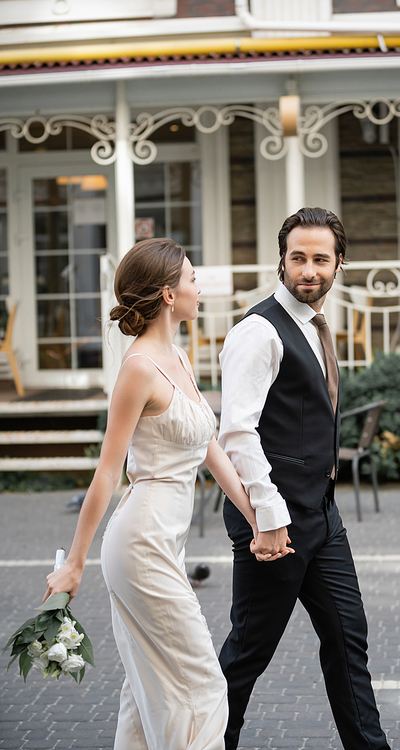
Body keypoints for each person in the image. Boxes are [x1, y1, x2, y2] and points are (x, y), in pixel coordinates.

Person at [44, 238, 284, 750]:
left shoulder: (177, 355)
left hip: (165, 544)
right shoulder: (137, 370)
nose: (200, 287)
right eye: (192, 278)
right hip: (139, 542)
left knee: (146, 687)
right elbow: (108, 473)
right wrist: (76, 562)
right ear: (169, 294)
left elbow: (210, 448)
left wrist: (260, 519)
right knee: (203, 683)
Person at [218, 207, 390, 750]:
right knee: (248, 655)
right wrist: (268, 520)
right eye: (298, 258)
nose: (308, 270)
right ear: (282, 260)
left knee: (347, 641)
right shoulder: (258, 332)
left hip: (322, 515)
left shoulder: (313, 326)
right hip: (275, 524)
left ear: (340, 263)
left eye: (320, 259)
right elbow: (238, 434)